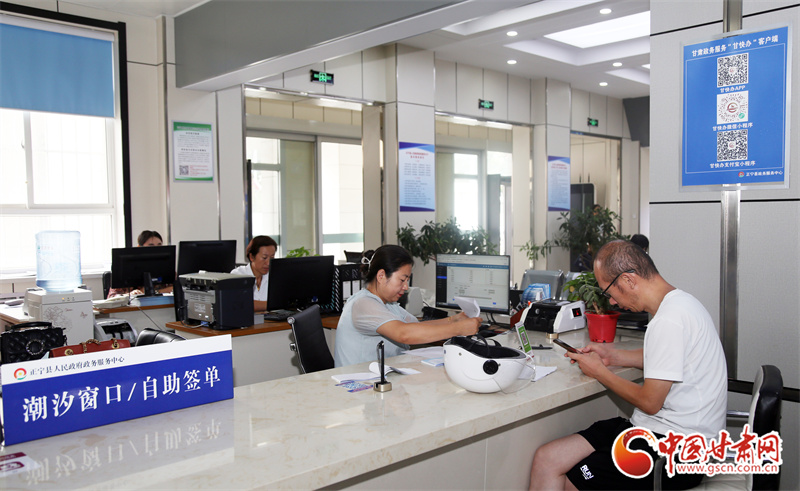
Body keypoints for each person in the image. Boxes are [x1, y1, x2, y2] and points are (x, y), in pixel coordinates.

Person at [529, 240, 727, 491]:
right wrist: (613, 357)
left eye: (610, 292)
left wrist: (600, 372)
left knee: (572, 482)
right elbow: (670, 359)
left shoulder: (669, 320)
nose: (611, 302)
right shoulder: (682, 304)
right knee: (547, 458)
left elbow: (650, 402)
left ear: (628, 280)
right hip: (657, 431)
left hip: (677, 451)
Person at [334, 245, 481, 367]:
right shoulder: (363, 304)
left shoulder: (388, 304)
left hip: (379, 379)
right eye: (402, 280)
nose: (405, 287)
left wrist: (454, 320)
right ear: (381, 276)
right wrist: (458, 329)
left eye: (407, 281)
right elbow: (404, 334)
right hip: (358, 385)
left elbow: (415, 326)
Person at [108, 230, 172, 297]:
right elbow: (112, 297)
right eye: (151, 246)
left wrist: (157, 292)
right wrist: (130, 295)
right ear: (139, 247)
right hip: (133, 303)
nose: (157, 250)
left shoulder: (166, 268)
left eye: (159, 246)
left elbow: (174, 289)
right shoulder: (126, 268)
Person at [230, 235, 277, 312]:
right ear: (252, 257)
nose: (268, 263)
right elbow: (241, 304)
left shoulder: (274, 276)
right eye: (264, 258)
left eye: (272, 258)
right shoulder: (238, 275)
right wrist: (273, 305)